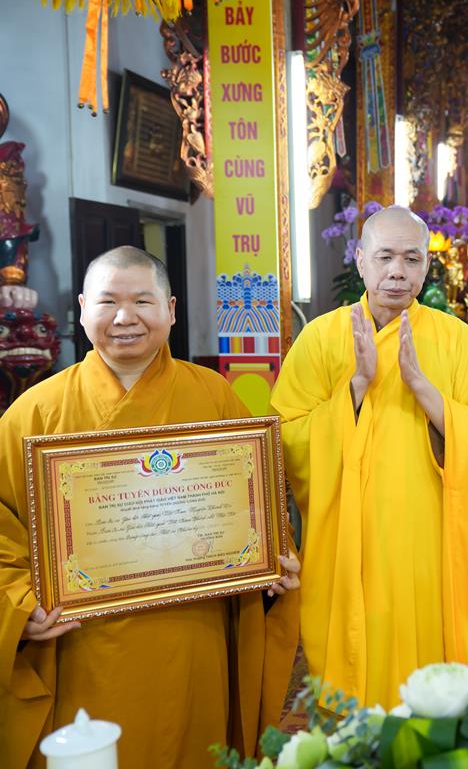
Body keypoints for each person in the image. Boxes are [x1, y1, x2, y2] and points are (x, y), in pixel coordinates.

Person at [0, 247, 300, 768]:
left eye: (143, 301)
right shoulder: (36, 411)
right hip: (85, 642)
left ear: (171, 310)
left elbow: (256, 502)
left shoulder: (214, 396)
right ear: (82, 308)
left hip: (195, 630)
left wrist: (273, 559)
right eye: (108, 302)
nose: (125, 317)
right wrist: (18, 606)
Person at [272, 206, 468, 708]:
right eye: (385, 257)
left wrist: (425, 390)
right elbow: (286, 439)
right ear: (361, 260)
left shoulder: (454, 339)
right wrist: (357, 387)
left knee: (431, 677)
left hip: (433, 541)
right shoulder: (321, 338)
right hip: (350, 538)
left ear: (427, 266)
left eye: (411, 258)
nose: (397, 271)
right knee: (359, 678)